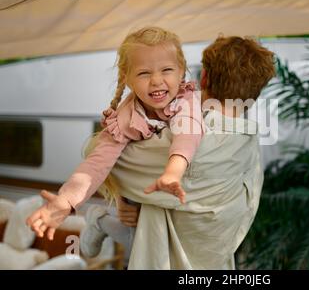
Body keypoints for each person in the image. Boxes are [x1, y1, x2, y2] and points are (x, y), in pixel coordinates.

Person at [26, 26, 205, 241]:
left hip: (172, 189)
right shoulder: (125, 119)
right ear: (127, 78)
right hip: (140, 194)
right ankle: (99, 221)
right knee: (134, 236)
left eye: (166, 70)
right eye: (144, 73)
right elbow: (96, 164)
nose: (156, 80)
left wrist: (172, 173)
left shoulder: (187, 101)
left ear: (181, 71)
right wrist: (65, 201)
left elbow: (189, 132)